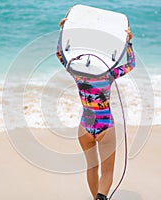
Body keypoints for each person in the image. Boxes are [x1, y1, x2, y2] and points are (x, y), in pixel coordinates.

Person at [56, 17, 135, 200]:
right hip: (105, 126)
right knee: (107, 170)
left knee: (92, 167)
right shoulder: (108, 75)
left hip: (85, 126)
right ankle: (101, 197)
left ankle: (95, 198)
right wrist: (128, 43)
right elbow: (131, 64)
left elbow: (60, 55)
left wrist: (63, 31)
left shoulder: (76, 72)